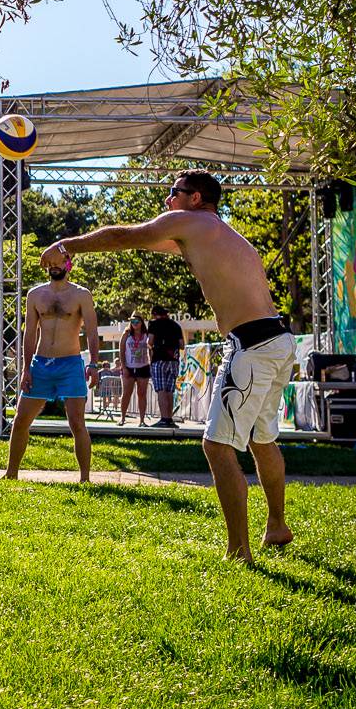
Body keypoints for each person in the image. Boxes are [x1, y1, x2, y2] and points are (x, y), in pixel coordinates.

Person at [43, 168, 296, 560]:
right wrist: (109, 241)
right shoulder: (216, 232)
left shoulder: (189, 222)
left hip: (252, 344)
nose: (167, 201)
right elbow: (138, 242)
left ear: (195, 198)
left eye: (173, 193)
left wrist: (67, 244)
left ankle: (239, 551)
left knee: (216, 446)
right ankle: (277, 526)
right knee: (262, 440)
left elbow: (127, 235)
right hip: (277, 340)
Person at [4, 253, 100, 483]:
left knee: (77, 422)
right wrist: (26, 368)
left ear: (69, 265)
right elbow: (29, 334)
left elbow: (92, 332)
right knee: (21, 420)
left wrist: (94, 364)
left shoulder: (81, 295)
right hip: (41, 364)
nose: (55, 266)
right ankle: (11, 474)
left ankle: (85, 479)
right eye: (51, 263)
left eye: (59, 262)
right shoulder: (35, 294)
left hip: (70, 364)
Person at [148, 312, 185, 427]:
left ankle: (164, 419)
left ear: (155, 314)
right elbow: (182, 345)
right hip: (174, 361)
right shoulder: (176, 325)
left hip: (159, 360)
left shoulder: (154, 324)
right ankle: (170, 419)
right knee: (170, 391)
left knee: (161, 390)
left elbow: (150, 342)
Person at [119, 316, 151, 425]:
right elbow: (121, 351)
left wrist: (151, 364)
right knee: (126, 393)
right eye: (132, 321)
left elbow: (151, 350)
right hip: (129, 367)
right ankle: (122, 418)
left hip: (143, 367)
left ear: (142, 322)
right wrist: (124, 367)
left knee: (142, 394)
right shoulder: (126, 334)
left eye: (137, 321)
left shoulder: (146, 334)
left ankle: (142, 420)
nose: (135, 323)